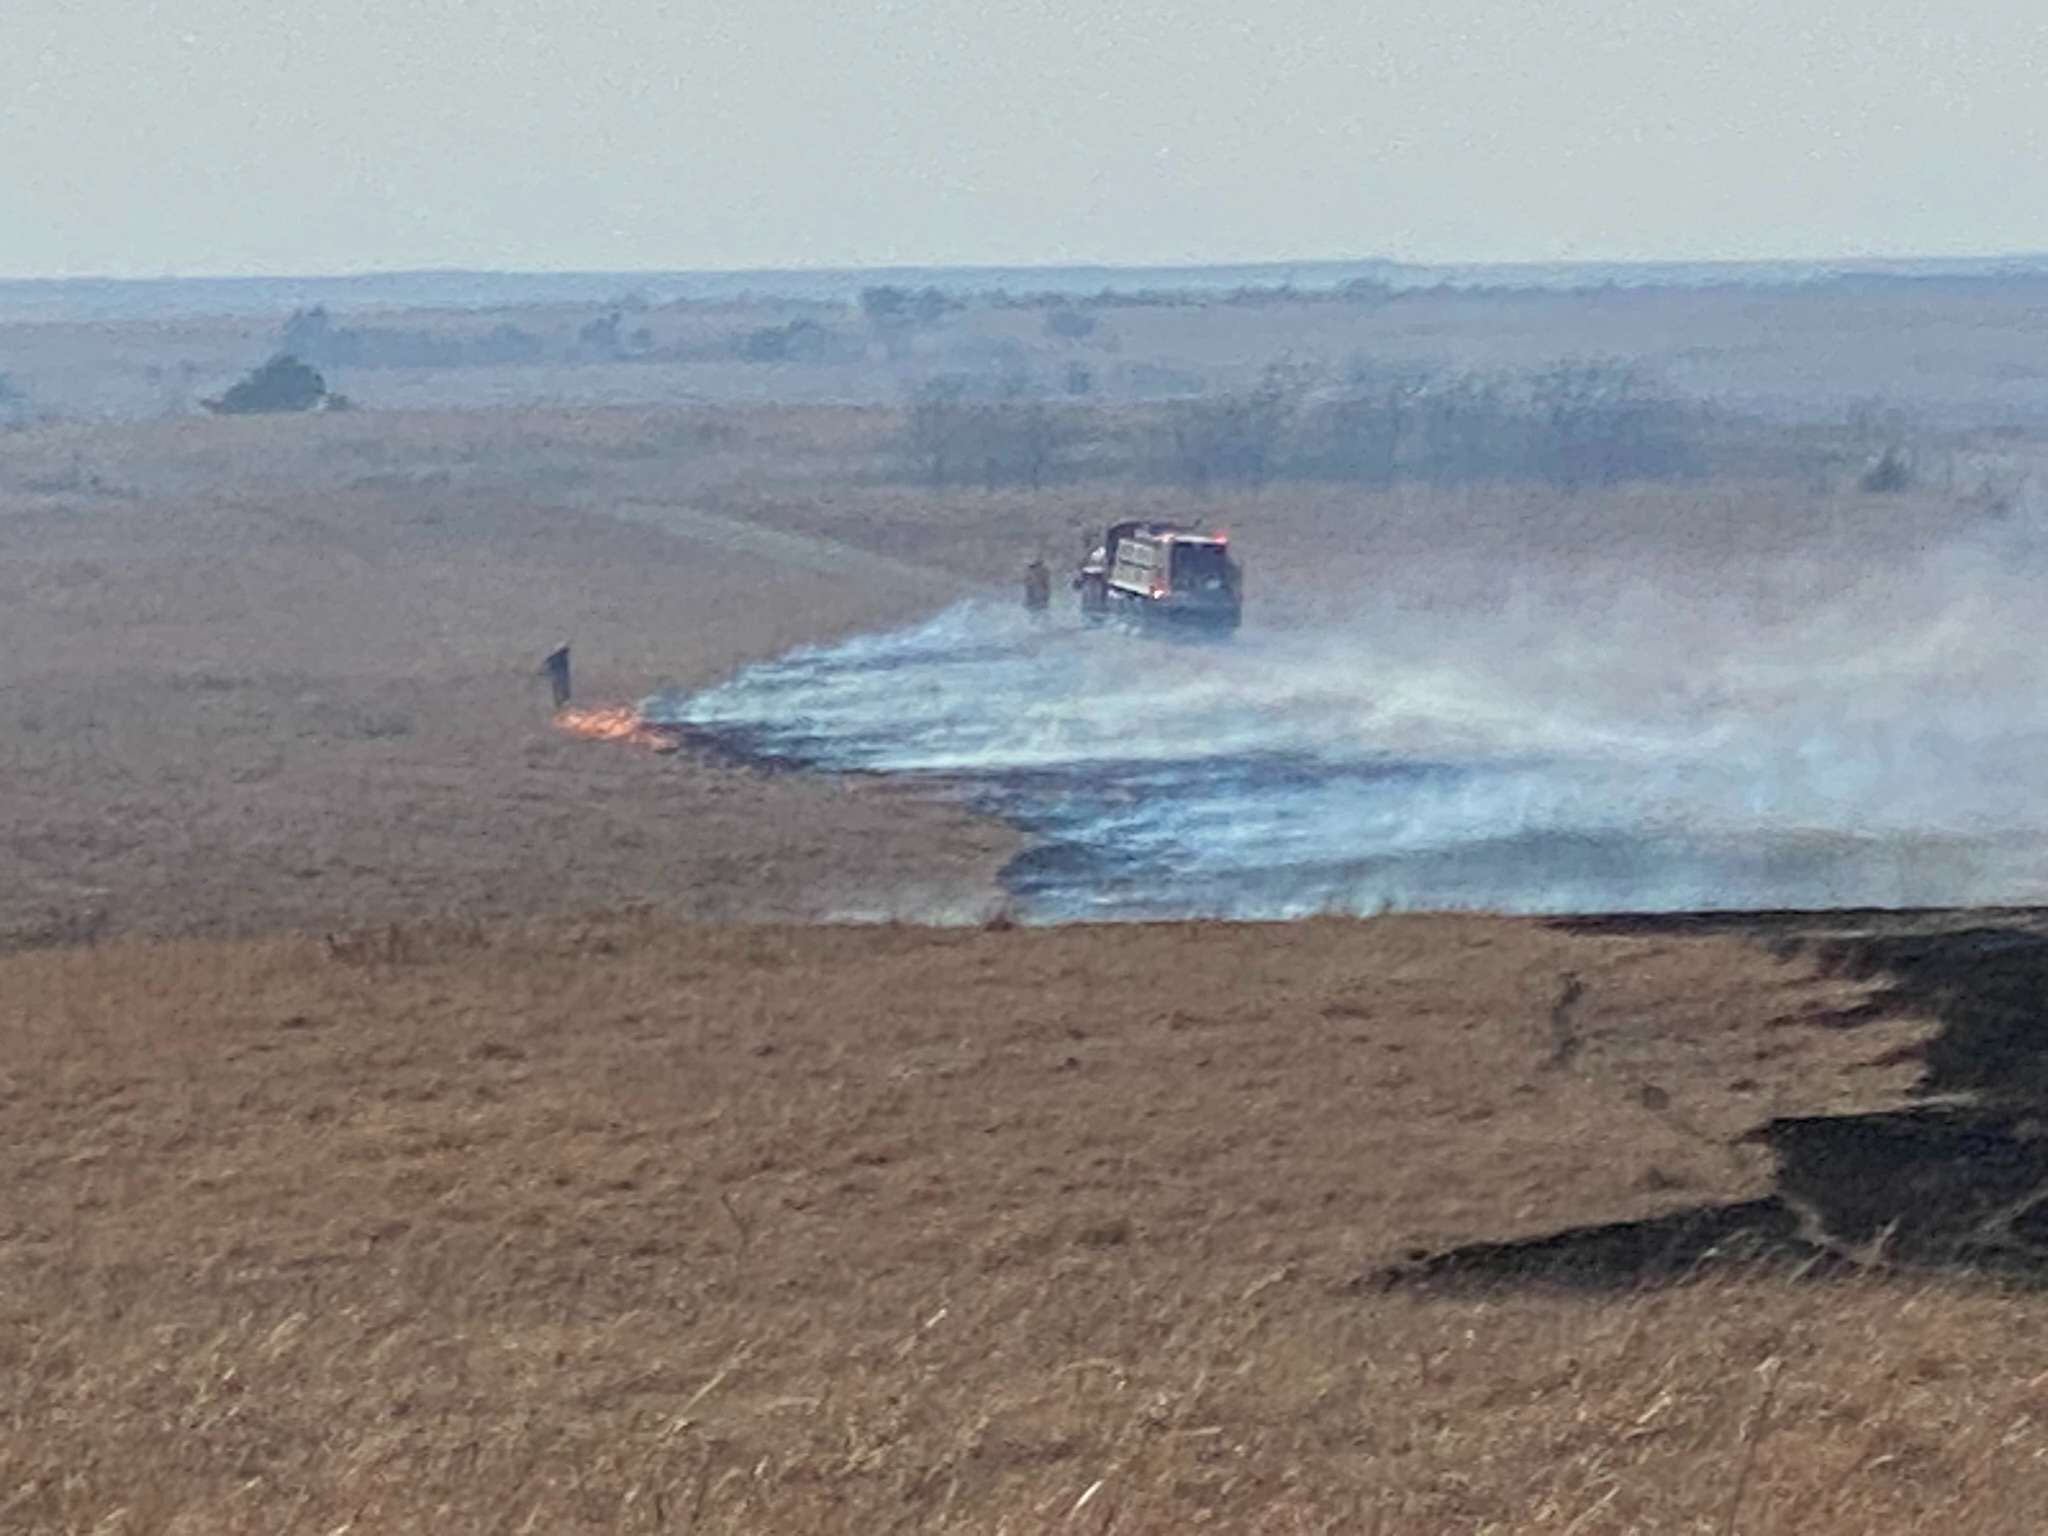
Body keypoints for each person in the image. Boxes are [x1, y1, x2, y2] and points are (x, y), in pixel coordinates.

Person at [541, 643, 571, 709]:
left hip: (560, 677)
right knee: (559, 691)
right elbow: (546, 666)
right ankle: (561, 704)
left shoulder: (560, 658)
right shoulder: (555, 658)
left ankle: (563, 703)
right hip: (558, 678)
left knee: (562, 691)